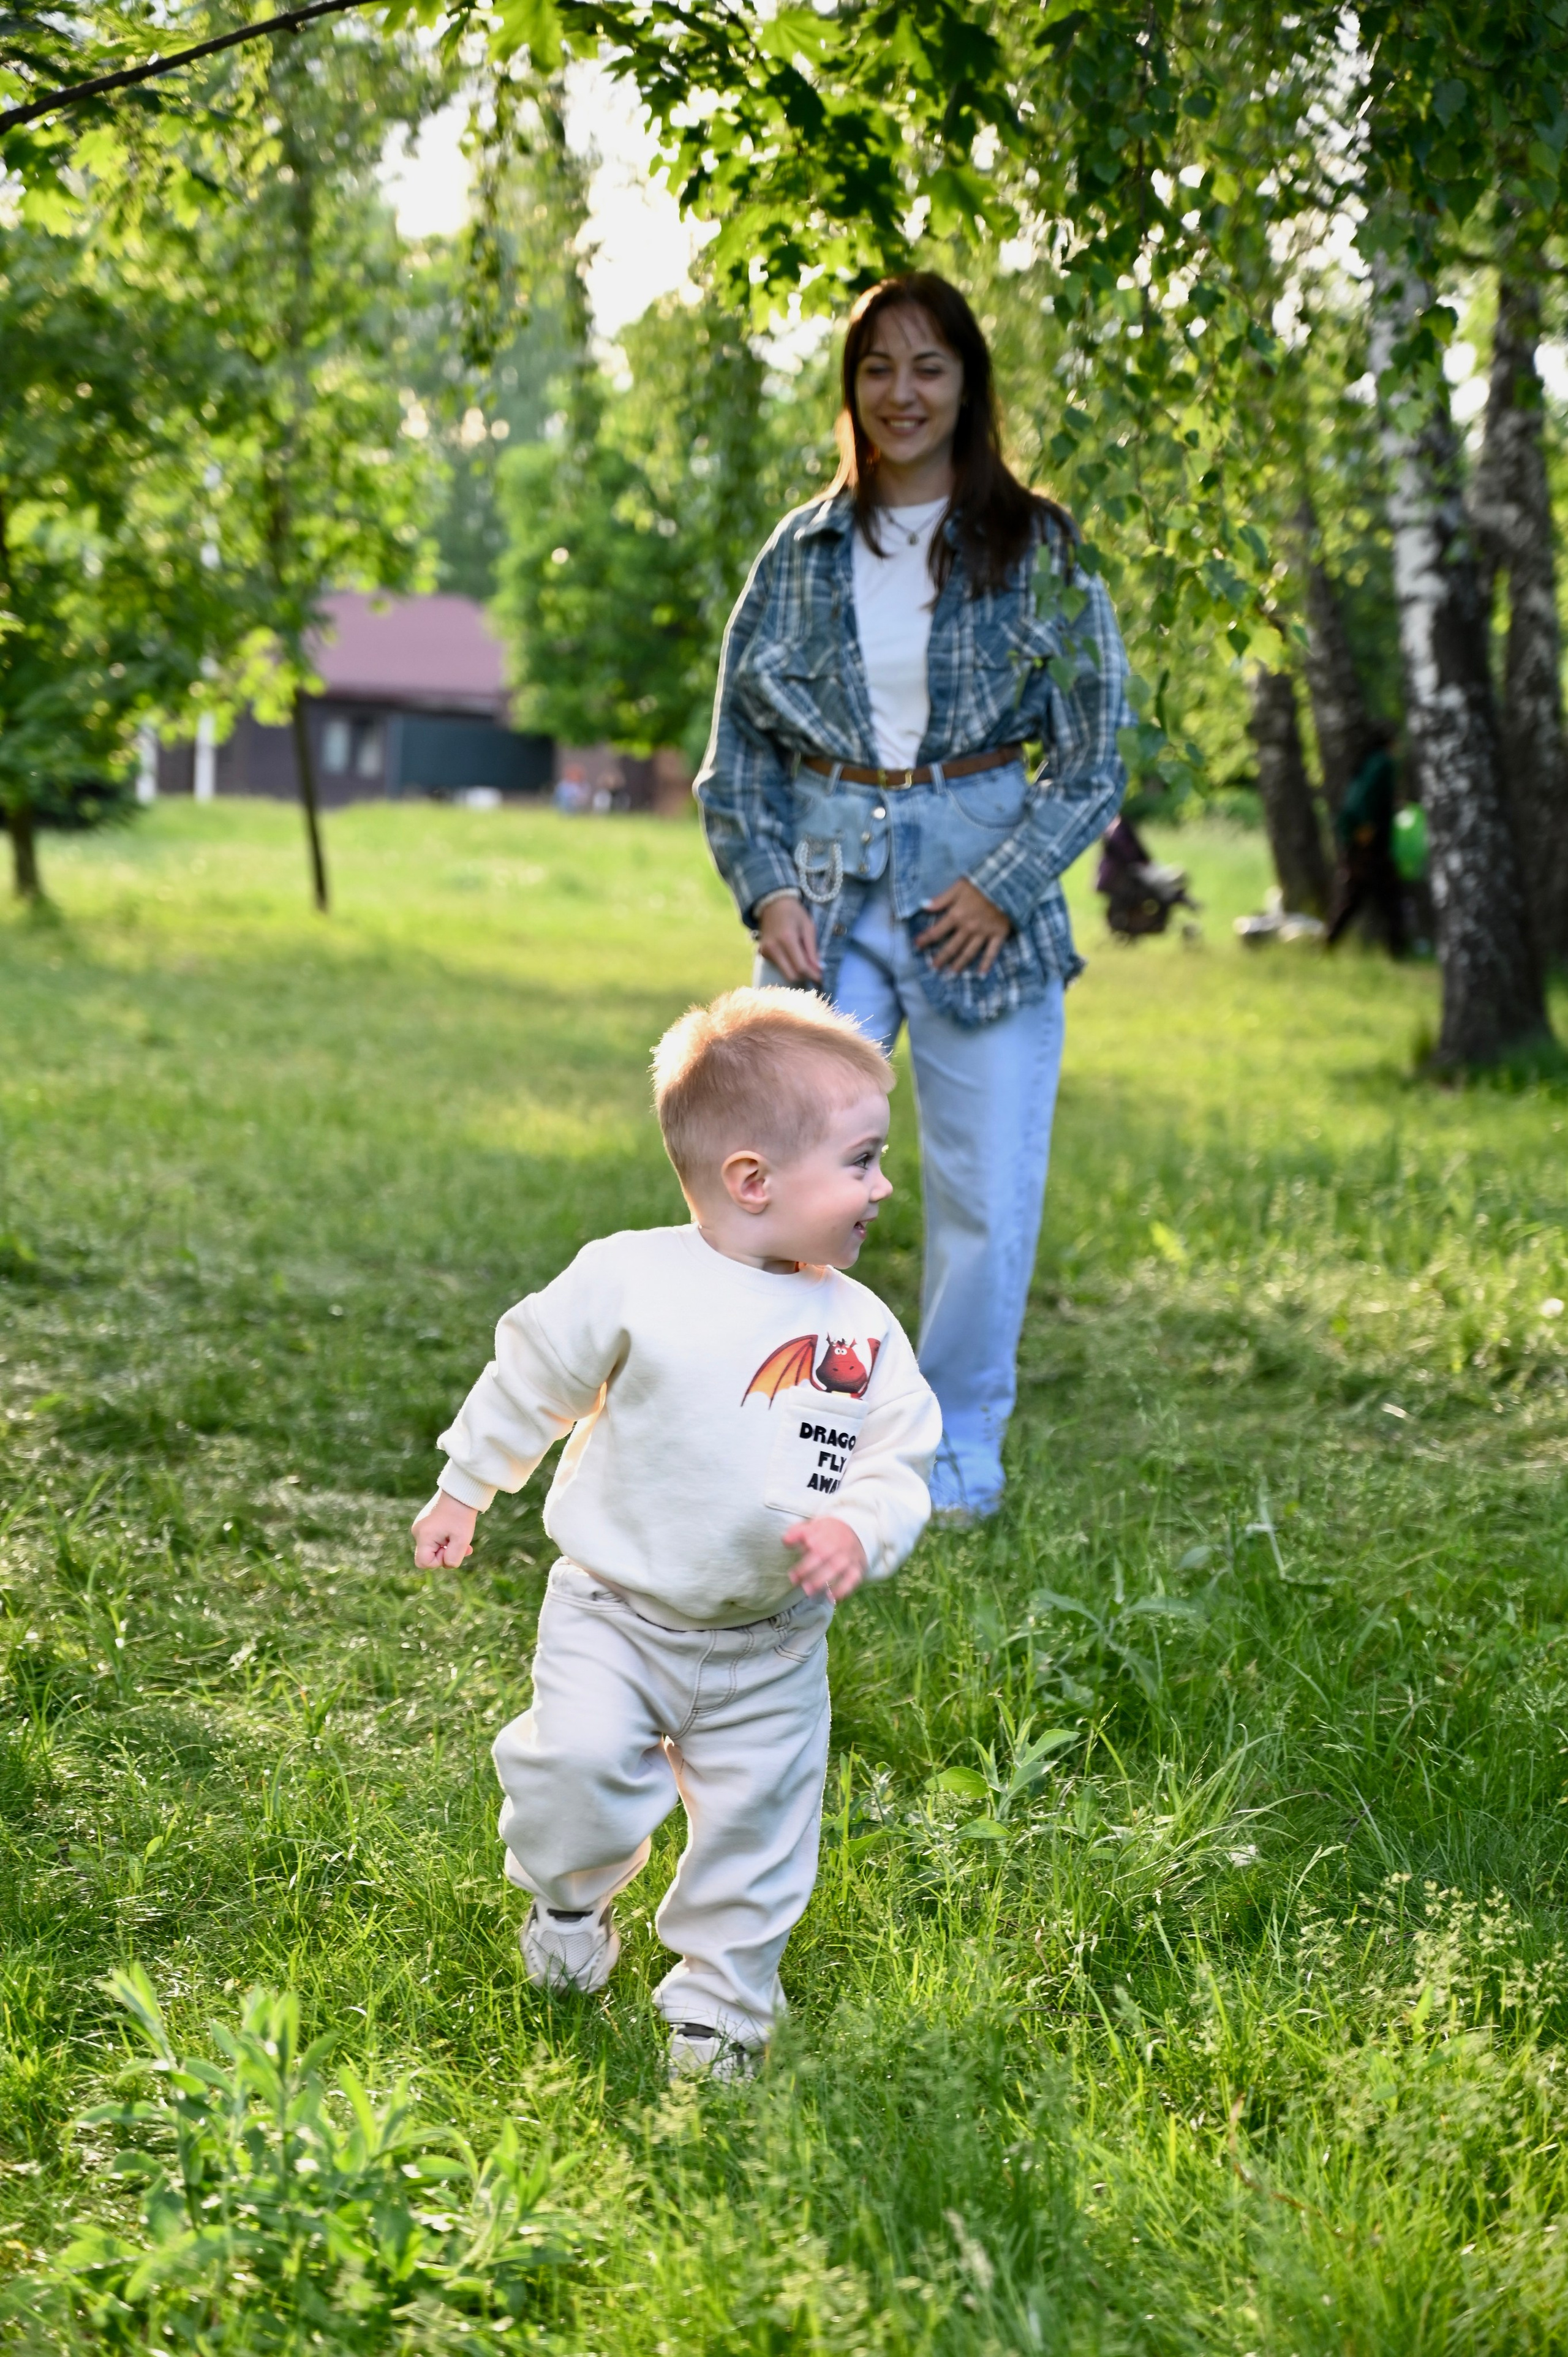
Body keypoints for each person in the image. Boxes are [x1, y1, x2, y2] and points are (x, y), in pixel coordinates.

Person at [411, 989, 940, 2081]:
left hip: (773, 1642)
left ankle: (722, 2009)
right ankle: (568, 1900)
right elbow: (536, 1374)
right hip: (614, 1612)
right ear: (754, 1179)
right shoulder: (632, 1277)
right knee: (574, 1773)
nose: (884, 1185)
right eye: (862, 1160)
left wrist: (862, 1525)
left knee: (761, 1834)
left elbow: (900, 1457)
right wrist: (468, 1483)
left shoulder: (860, 1326)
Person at [695, 272, 1131, 1522]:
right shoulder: (798, 552)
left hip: (973, 891)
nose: (902, 392)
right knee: (776, 1173)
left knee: (982, 1190)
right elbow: (738, 756)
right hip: (824, 893)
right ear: (850, 389)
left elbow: (1093, 753)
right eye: (877, 368)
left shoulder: (1037, 547)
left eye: (928, 367)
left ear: (966, 384)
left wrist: (1000, 888)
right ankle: (774, 1426)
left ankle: (952, 1447)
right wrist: (766, 889)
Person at [1326, 722, 1406, 956]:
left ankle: (1330, 941)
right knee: (1387, 896)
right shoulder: (1383, 763)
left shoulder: (1367, 763)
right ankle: (1398, 949)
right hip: (1369, 843)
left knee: (1356, 895)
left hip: (1360, 841)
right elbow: (1362, 802)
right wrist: (1366, 829)